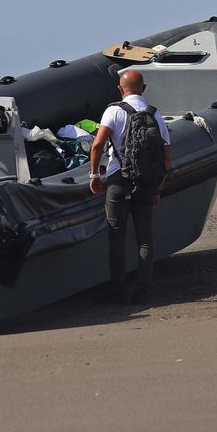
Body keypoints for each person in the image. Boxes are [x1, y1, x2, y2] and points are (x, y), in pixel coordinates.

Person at [88, 70, 172, 304]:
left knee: (117, 236)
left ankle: (118, 289)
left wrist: (95, 175)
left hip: (117, 179)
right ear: (144, 89)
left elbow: (97, 145)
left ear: (120, 89)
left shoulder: (113, 111)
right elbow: (166, 156)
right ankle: (143, 290)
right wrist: (157, 188)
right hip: (145, 181)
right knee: (144, 238)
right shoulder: (155, 115)